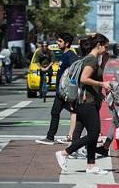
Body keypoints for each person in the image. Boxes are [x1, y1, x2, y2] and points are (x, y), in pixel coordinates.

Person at [54, 34, 111, 175]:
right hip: (86, 102)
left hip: (87, 100)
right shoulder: (91, 60)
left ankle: (91, 166)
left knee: (89, 133)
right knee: (93, 134)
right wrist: (102, 84)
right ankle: (64, 153)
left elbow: (93, 77)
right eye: (106, 46)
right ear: (99, 45)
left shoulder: (92, 59)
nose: (106, 49)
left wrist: (103, 63)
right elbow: (84, 78)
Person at [37, 33, 78, 145]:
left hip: (66, 91)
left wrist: (72, 90)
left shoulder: (70, 56)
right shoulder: (63, 55)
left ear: (67, 43)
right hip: (60, 91)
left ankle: (85, 136)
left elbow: (75, 72)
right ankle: (50, 137)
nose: (57, 43)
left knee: (76, 112)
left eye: (60, 41)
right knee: (55, 112)